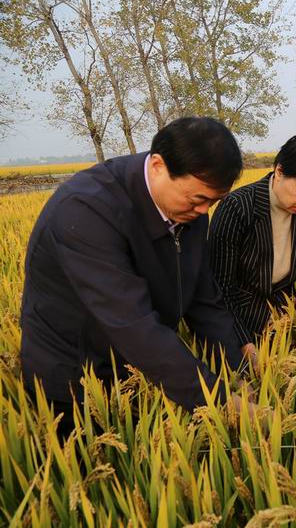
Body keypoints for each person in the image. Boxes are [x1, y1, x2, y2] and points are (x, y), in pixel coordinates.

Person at [20, 117, 256, 437]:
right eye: (199, 199)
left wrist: (235, 370)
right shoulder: (86, 209)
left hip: (137, 371)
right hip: (75, 377)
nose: (204, 212)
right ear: (158, 166)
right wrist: (219, 400)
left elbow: (204, 299)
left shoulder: (188, 211)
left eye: (214, 202)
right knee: (90, 462)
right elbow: (132, 324)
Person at [209, 134, 296, 362]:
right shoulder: (238, 206)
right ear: (279, 172)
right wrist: (246, 346)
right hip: (238, 317)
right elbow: (221, 287)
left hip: (284, 315)